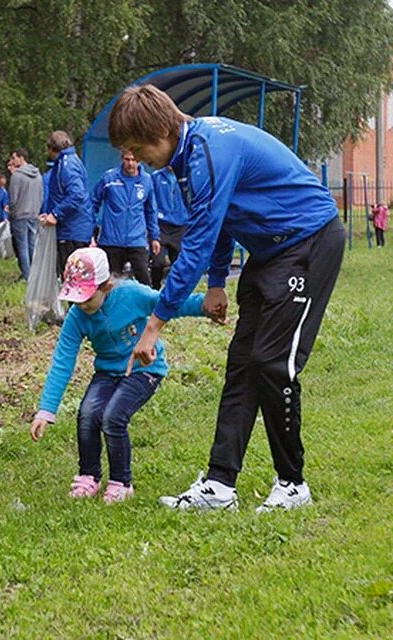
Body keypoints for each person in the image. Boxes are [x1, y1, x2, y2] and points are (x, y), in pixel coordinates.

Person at [109, 84, 345, 512]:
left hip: (310, 241)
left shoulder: (210, 150)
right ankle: (220, 485)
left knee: (274, 363)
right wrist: (217, 282)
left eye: (137, 146)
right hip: (270, 251)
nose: (136, 157)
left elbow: (195, 245)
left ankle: (293, 483)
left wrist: (155, 324)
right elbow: (216, 218)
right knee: (242, 363)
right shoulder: (188, 157)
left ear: (162, 128)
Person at [30, 248, 207, 502]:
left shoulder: (131, 294)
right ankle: (88, 476)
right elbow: (63, 361)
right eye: (75, 299)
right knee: (88, 413)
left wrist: (204, 305)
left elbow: (168, 303)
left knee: (113, 417)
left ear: (106, 286)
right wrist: (46, 411)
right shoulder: (77, 316)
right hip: (107, 370)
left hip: (144, 369)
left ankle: (121, 482)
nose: (81, 305)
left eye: (86, 298)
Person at [91, 149, 161, 285]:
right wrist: (91, 231)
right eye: (127, 159)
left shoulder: (146, 180)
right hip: (111, 240)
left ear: (140, 160)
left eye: (134, 160)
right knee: (110, 283)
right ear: (122, 159)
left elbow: (151, 210)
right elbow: (93, 203)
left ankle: (147, 306)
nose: (130, 163)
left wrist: (154, 237)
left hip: (136, 240)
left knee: (144, 281)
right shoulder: (109, 178)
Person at [40, 131, 94, 278]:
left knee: (72, 278)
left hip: (72, 230)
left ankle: (74, 302)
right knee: (72, 277)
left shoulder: (67, 165)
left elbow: (76, 195)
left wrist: (57, 214)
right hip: (72, 228)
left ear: (51, 148)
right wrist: (50, 212)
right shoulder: (69, 161)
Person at [7, 148, 43, 281]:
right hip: (33, 214)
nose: (12, 160)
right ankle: (34, 275)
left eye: (14, 157)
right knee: (31, 245)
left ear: (21, 158)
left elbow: (13, 199)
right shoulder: (38, 175)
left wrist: (12, 212)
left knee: (22, 247)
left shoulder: (17, 176)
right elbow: (41, 195)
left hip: (20, 215)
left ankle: (27, 276)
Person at [149, 167, 189, 289]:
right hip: (161, 225)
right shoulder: (156, 176)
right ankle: (155, 288)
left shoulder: (187, 176)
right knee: (158, 263)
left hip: (180, 225)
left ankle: (175, 292)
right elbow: (150, 201)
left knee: (179, 264)